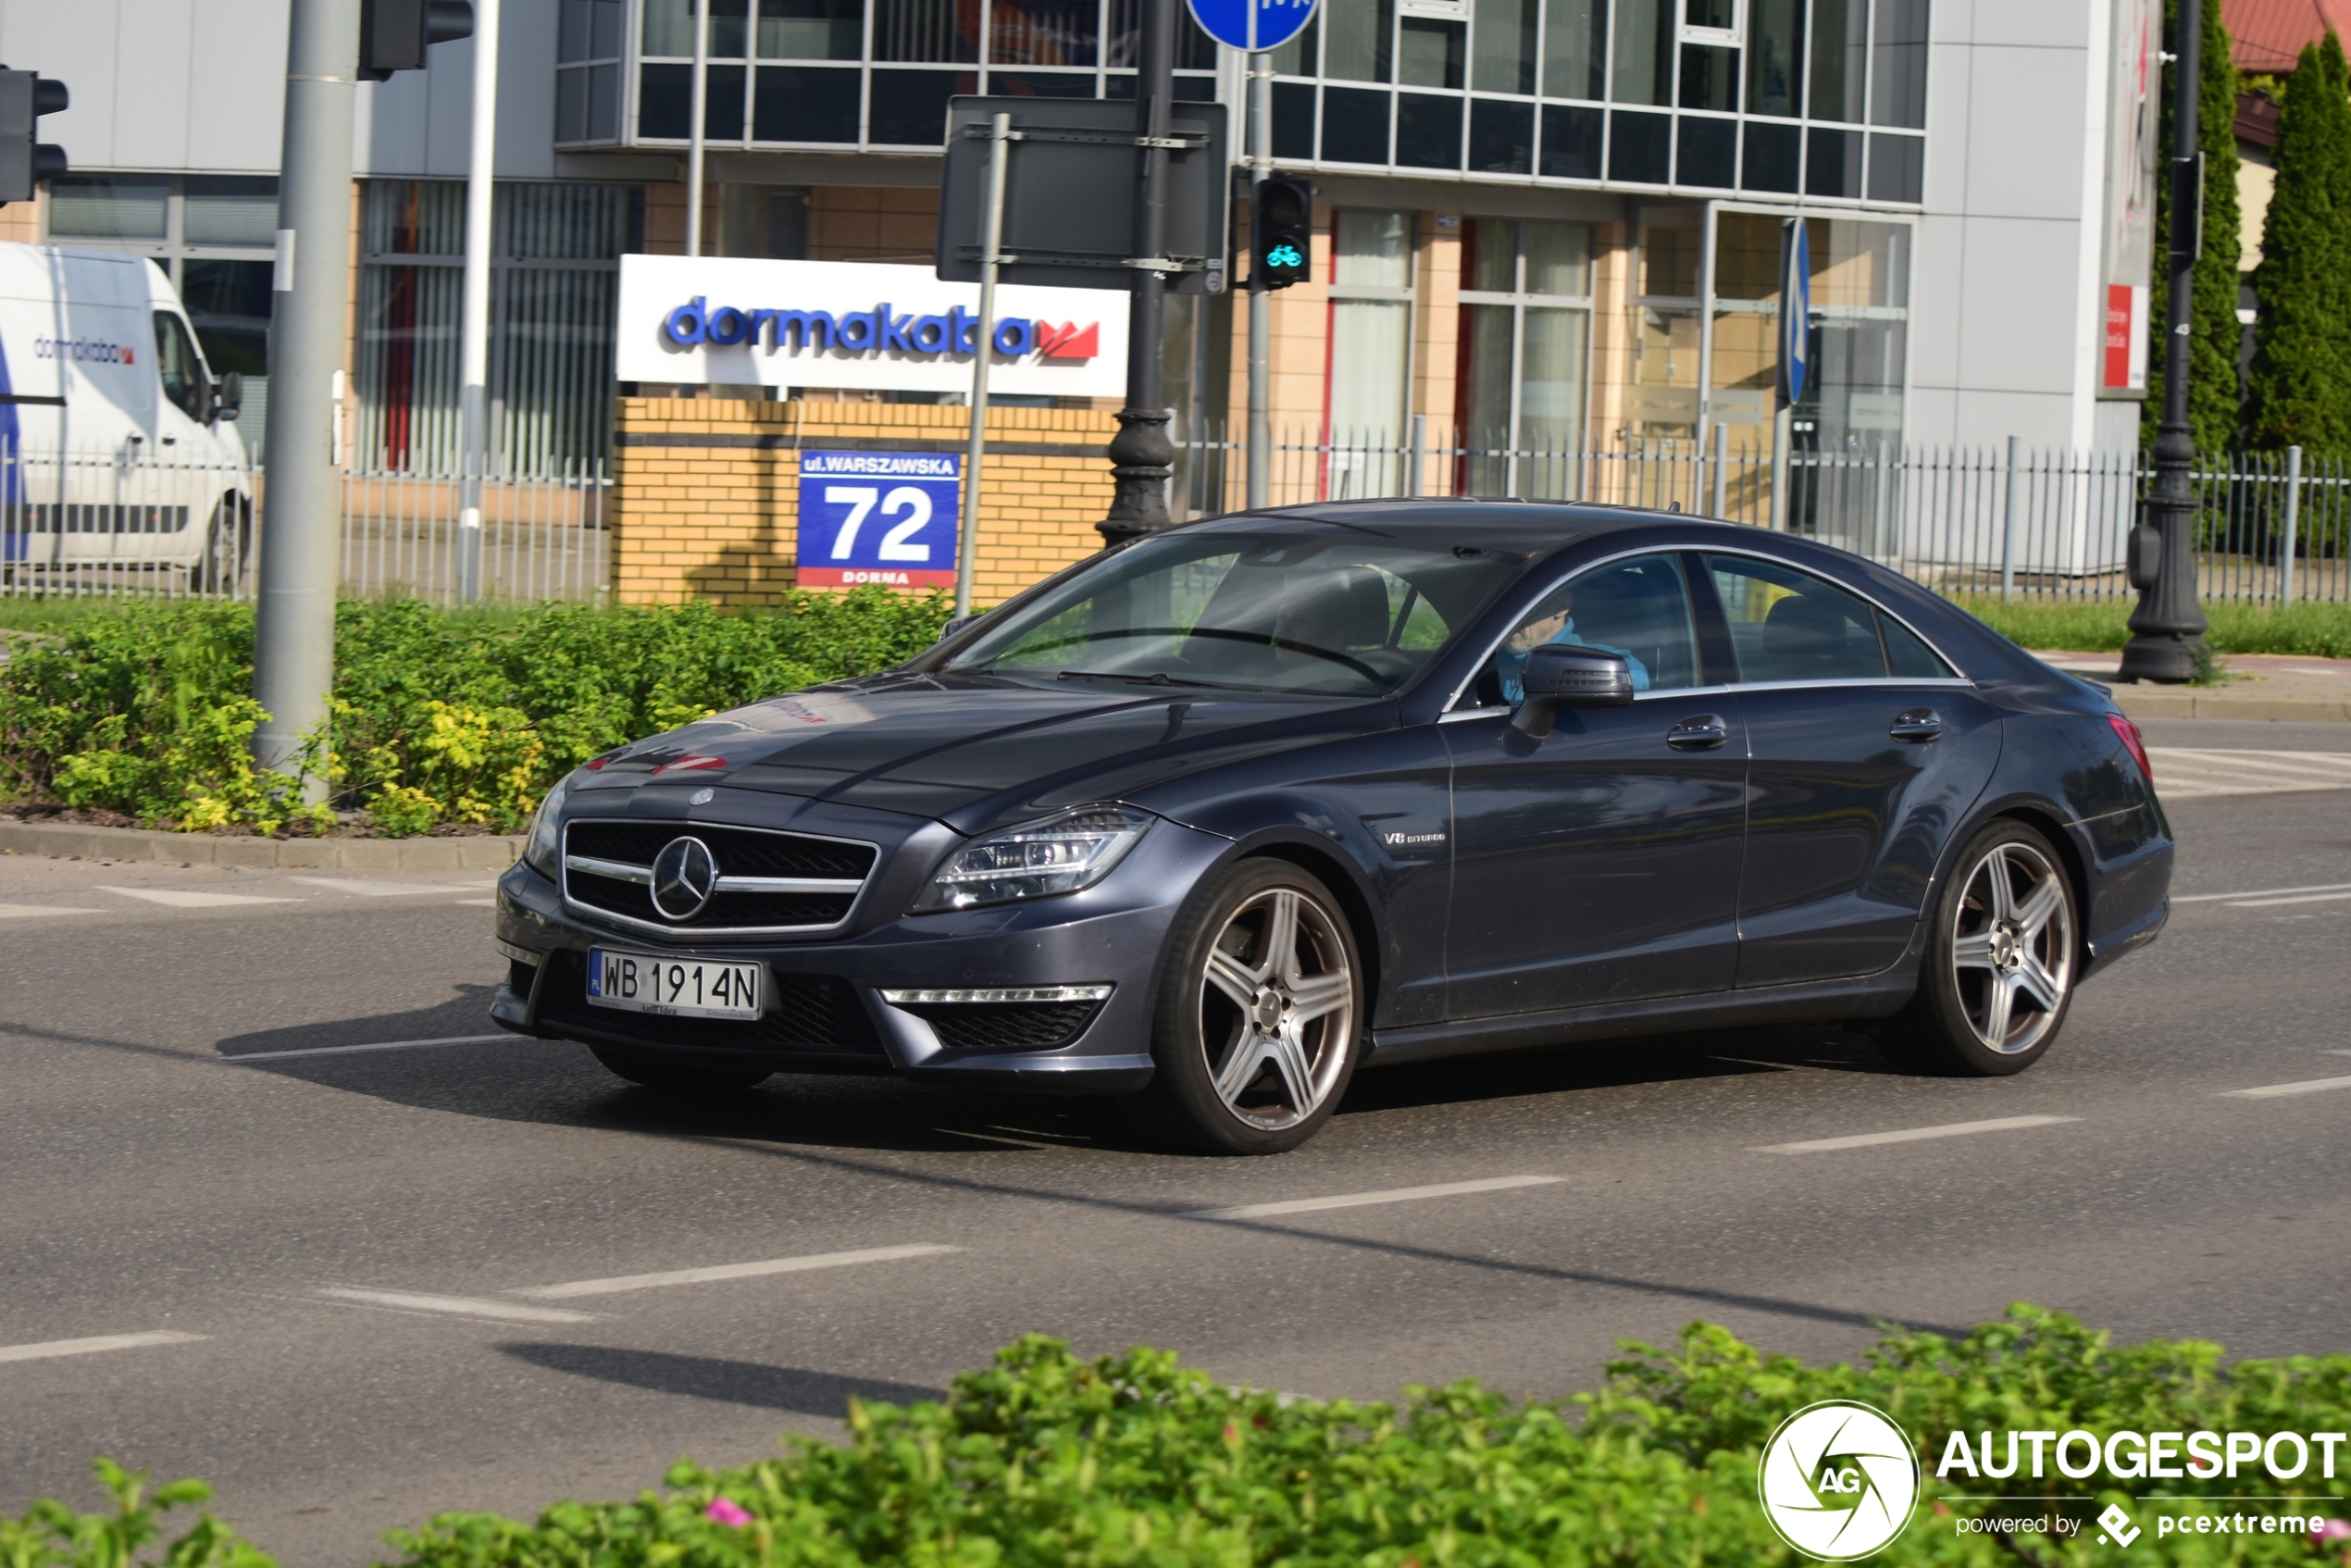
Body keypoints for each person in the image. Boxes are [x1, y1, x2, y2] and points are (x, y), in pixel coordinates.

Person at [1493, 587, 1650, 703]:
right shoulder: (1484, 661)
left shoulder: (1599, 664)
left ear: (1561, 606)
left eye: (1522, 603)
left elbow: (1635, 676)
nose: (1509, 614)